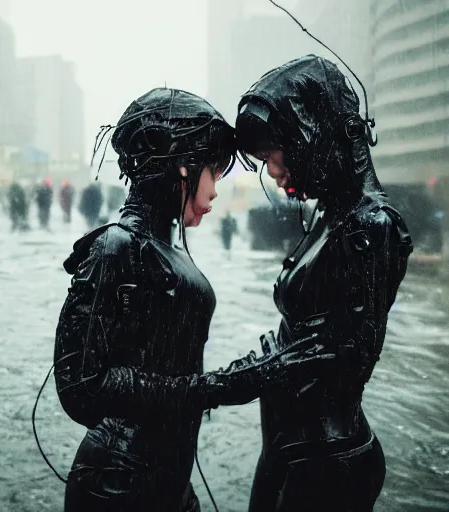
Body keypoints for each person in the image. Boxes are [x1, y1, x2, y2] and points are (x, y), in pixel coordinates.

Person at [54, 88, 335, 511]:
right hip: (118, 486)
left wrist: (255, 370)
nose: (217, 190)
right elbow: (80, 386)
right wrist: (214, 388)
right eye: (215, 172)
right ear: (183, 168)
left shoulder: (161, 246)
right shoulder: (117, 245)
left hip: (170, 482)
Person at [236, 55, 413, 512]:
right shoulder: (329, 214)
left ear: (308, 134)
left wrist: (251, 376)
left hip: (328, 466)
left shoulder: (371, 225)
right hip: (290, 448)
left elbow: (350, 358)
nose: (272, 172)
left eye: (272, 155)